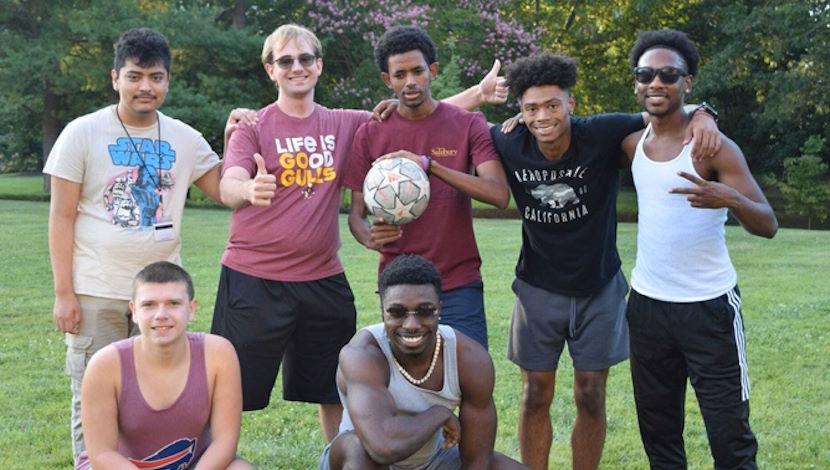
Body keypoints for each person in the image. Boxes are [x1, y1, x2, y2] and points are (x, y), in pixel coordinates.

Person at [213, 23, 506, 443]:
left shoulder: (344, 123)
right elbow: (228, 184)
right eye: (285, 60)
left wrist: (477, 94)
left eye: (306, 59)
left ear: (319, 65)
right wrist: (246, 188)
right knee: (233, 390)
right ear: (270, 69)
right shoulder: (254, 126)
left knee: (333, 389)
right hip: (253, 277)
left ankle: (336, 458)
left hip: (322, 279)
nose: (297, 67)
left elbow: (420, 114)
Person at [489, 52, 721, 469]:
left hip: (599, 286)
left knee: (591, 394)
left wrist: (704, 113)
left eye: (552, 105)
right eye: (531, 108)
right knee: (533, 394)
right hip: (538, 286)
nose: (543, 116)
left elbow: (663, 112)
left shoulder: (601, 132)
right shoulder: (508, 139)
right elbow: (441, 122)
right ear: (520, 112)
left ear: (571, 104)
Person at [43, 27, 252, 460]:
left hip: (161, 295)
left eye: (156, 77)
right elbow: (61, 217)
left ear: (168, 81)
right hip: (98, 289)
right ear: (115, 77)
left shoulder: (185, 138)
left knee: (157, 396)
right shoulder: (81, 133)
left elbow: (225, 191)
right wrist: (64, 293)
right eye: (135, 76)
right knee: (93, 398)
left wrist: (239, 143)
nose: (146, 86)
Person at [621, 29, 777, 469]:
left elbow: (767, 224)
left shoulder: (713, 146)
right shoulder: (631, 144)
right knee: (659, 436)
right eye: (646, 74)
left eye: (668, 74)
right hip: (648, 308)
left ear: (687, 82)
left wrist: (729, 199)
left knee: (730, 437)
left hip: (709, 309)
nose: (656, 83)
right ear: (635, 82)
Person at [344, 25, 510, 350]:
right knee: (407, 387)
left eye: (418, 71)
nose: (410, 81)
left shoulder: (468, 123)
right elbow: (355, 215)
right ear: (386, 80)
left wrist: (430, 166)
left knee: (474, 378)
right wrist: (367, 236)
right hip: (398, 285)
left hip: (458, 281)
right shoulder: (370, 133)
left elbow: (498, 194)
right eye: (400, 74)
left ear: (432, 71)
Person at [320, 255, 526, 469]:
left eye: (425, 311)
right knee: (356, 448)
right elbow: (383, 446)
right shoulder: (363, 354)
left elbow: (477, 460)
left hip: (433, 461)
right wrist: (439, 413)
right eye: (397, 312)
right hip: (364, 462)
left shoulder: (469, 359)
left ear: (439, 308)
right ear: (382, 308)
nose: (411, 324)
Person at [77, 261, 251, 469]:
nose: (161, 315)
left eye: (173, 303)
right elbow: (102, 455)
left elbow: (225, 441)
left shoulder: (218, 354)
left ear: (191, 309)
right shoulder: (105, 365)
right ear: (134, 311)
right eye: (149, 305)